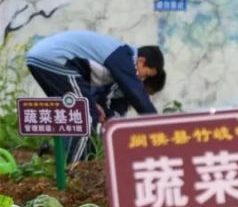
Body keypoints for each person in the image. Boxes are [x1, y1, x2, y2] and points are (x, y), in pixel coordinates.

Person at [26, 30, 164, 162]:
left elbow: (86, 80)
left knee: (71, 116)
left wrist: (94, 104)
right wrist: (161, 127)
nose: (141, 79)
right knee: (84, 116)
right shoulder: (123, 56)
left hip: (40, 58)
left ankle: (60, 159)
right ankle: (75, 169)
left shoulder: (117, 54)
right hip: (55, 60)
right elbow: (136, 93)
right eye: (145, 74)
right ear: (141, 61)